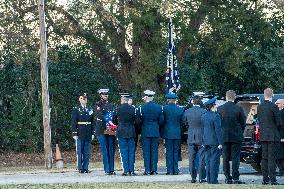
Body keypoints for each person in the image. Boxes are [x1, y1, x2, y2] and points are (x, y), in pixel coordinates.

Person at [217, 90, 246, 184]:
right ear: (234, 97)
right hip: (236, 136)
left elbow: (218, 123)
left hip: (224, 136)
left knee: (225, 157)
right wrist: (240, 131)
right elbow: (243, 123)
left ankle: (227, 177)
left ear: (226, 97)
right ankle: (235, 177)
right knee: (235, 158)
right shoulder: (239, 108)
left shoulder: (220, 108)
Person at [257, 88, 282, 185]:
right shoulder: (274, 106)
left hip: (263, 135)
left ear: (264, 95)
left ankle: (265, 179)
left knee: (264, 158)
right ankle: (273, 179)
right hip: (273, 135)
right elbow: (279, 123)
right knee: (272, 158)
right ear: (272, 95)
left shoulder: (259, 107)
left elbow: (259, 120)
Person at [139, 90, 164, 175]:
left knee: (146, 151)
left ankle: (147, 170)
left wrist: (141, 128)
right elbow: (161, 121)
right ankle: (154, 169)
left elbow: (139, 121)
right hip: (155, 131)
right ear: (152, 97)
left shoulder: (141, 108)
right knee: (154, 151)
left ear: (146, 97)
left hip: (145, 131)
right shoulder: (159, 107)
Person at [183, 95, 206, 183]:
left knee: (191, 158)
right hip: (201, 137)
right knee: (202, 158)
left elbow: (184, 124)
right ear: (200, 102)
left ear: (193, 102)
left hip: (191, 136)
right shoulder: (204, 111)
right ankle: (201, 177)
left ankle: (193, 177)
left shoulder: (187, 111)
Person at [94, 88, 116, 175]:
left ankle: (112, 169)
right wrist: (107, 118)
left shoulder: (110, 105)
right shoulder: (97, 104)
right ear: (100, 95)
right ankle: (107, 169)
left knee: (111, 149)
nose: (105, 96)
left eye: (106, 94)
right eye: (104, 94)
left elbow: (113, 115)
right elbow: (99, 115)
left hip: (110, 129)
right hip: (101, 129)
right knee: (105, 149)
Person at [113, 93, 137, 176]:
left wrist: (120, 124)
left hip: (121, 131)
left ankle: (126, 170)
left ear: (123, 99)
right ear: (127, 100)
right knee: (131, 151)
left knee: (123, 151)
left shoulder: (118, 109)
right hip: (131, 131)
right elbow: (137, 121)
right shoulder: (133, 109)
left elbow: (114, 120)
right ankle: (132, 170)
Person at [161, 93, 184, 175]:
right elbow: (182, 122)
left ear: (168, 100)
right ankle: (175, 170)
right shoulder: (180, 109)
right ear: (175, 100)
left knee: (169, 152)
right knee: (175, 152)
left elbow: (162, 121)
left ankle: (170, 170)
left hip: (167, 133)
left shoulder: (164, 109)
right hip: (177, 133)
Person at [71, 93, 94, 173]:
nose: (84, 100)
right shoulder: (76, 109)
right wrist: (74, 133)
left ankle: (85, 167)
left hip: (88, 132)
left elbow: (92, 121)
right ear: (79, 99)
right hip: (80, 132)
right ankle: (80, 168)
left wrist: (92, 132)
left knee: (87, 152)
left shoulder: (90, 109)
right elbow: (73, 122)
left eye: (85, 99)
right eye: (82, 98)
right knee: (80, 152)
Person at [201, 98, 223, 184]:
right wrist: (220, 142)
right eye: (215, 105)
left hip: (206, 141)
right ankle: (213, 180)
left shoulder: (203, 115)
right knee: (214, 161)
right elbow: (218, 130)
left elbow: (202, 130)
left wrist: (203, 141)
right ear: (212, 106)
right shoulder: (216, 116)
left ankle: (209, 179)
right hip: (214, 142)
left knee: (208, 161)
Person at [275, 99, 284, 175]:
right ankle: (281, 170)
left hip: (281, 137)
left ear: (283, 104)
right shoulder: (279, 112)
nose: (276, 105)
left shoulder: (282, 113)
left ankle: (282, 170)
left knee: (280, 154)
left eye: (278, 103)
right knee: (279, 154)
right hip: (278, 136)